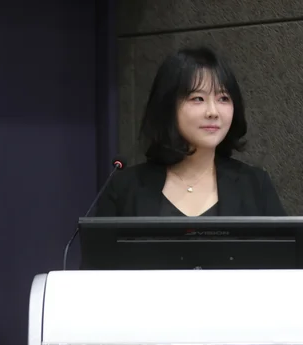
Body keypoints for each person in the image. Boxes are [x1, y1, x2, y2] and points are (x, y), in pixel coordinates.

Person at [96, 46, 286, 218]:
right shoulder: (124, 188)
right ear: (167, 106)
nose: (213, 112)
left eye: (223, 98)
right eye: (198, 98)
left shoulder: (255, 185)